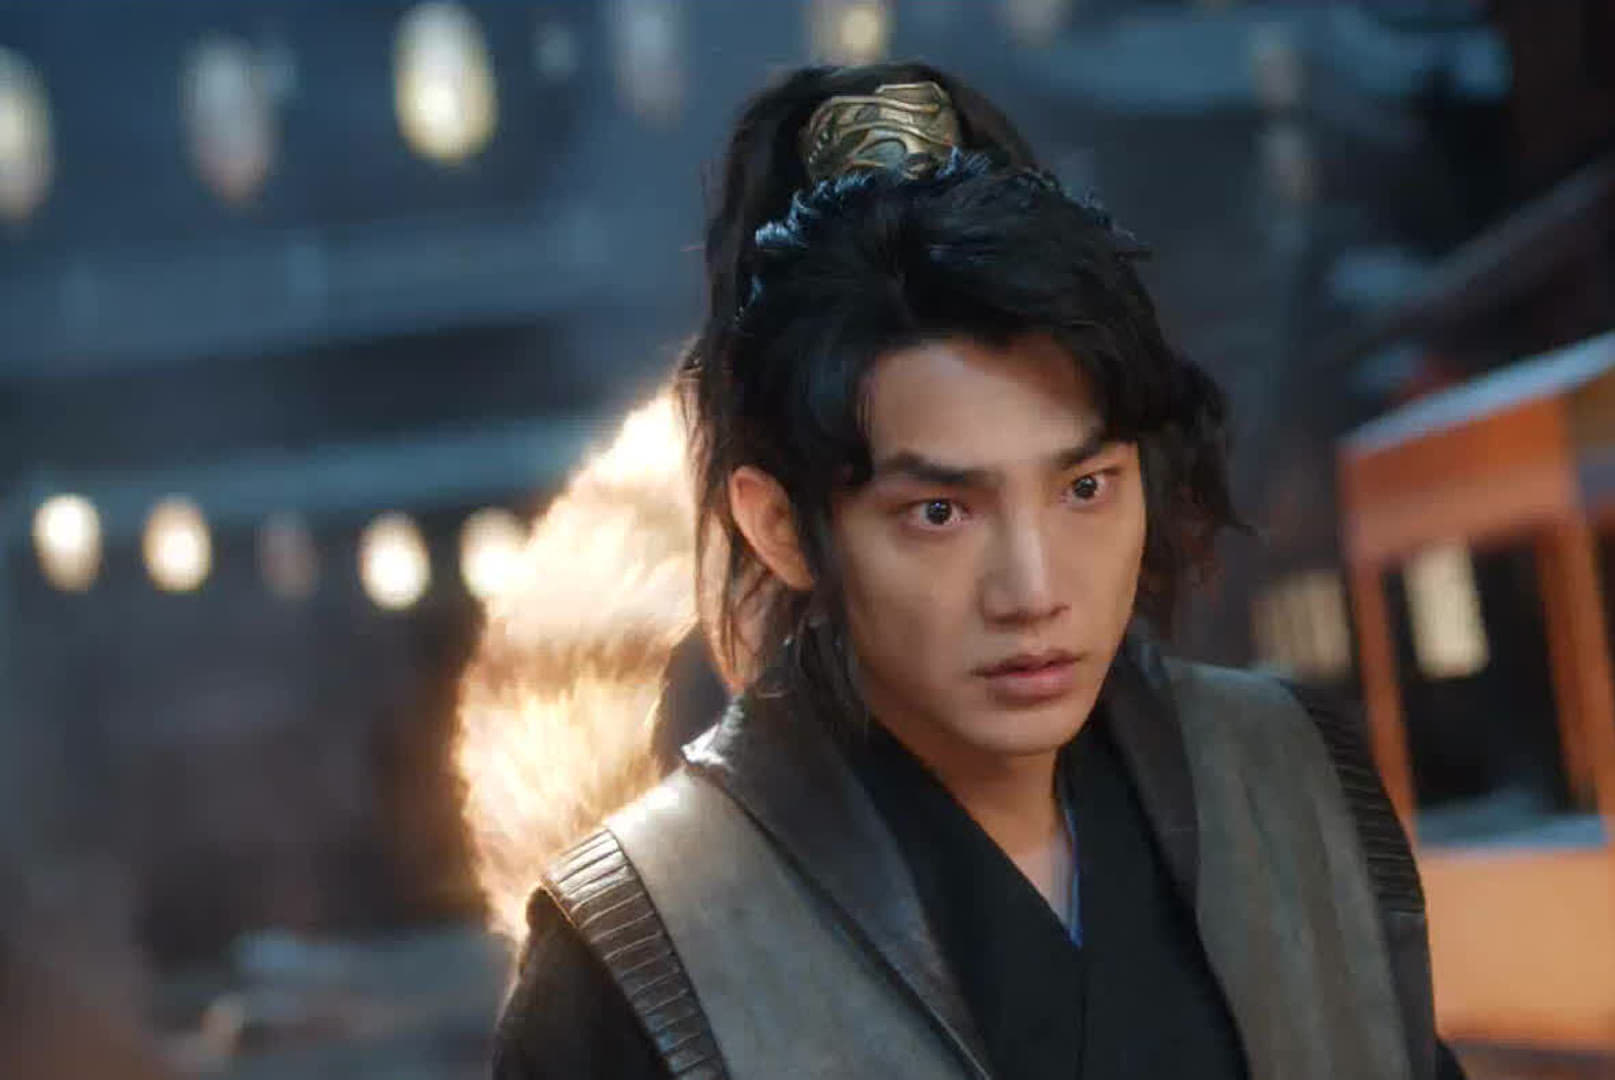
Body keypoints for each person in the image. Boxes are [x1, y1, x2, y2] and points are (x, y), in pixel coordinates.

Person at [487, 62, 1466, 1080]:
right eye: (941, 512)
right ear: (780, 526)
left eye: (1084, 488)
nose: (1034, 590)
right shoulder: (642, 945)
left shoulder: (1287, 778)